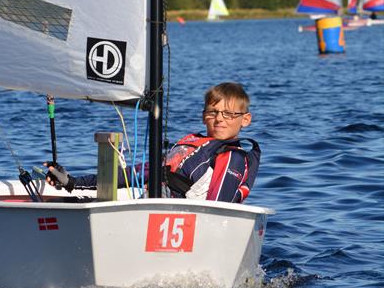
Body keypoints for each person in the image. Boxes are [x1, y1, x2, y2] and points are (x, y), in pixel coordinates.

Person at [45, 81, 260, 204]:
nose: (220, 118)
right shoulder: (190, 144)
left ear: (246, 119)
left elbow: (219, 210)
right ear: (203, 116)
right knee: (73, 203)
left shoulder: (233, 157)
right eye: (213, 112)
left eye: (229, 114)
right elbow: (136, 174)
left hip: (178, 223)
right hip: (151, 209)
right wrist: (72, 181)